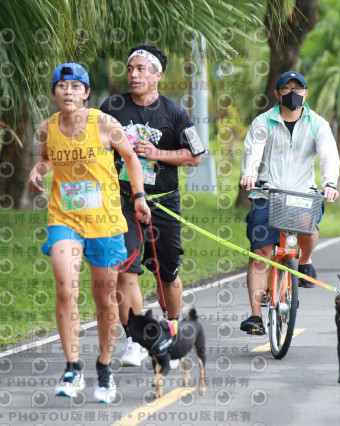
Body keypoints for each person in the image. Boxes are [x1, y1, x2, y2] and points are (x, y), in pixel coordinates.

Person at [28, 63, 151, 403]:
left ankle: (104, 368)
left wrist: (139, 197)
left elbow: (130, 157)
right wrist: (38, 172)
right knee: (66, 288)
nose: (68, 92)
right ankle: (72, 366)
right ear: (54, 93)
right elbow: (46, 158)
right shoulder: (46, 127)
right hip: (64, 218)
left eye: (75, 86)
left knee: (104, 297)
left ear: (85, 93)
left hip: (105, 221)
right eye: (61, 86)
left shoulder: (104, 123)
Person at [100, 44, 205, 366]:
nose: (133, 74)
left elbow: (195, 157)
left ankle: (171, 335)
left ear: (158, 75)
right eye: (130, 68)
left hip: (163, 204)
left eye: (141, 69)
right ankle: (135, 340)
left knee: (167, 275)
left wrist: (156, 154)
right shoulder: (112, 107)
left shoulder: (175, 113)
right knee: (125, 272)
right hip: (124, 203)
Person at [238, 71, 340, 335]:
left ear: (306, 93)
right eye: (286, 88)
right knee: (261, 253)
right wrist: (249, 173)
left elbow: (328, 153)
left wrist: (330, 183)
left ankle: (304, 260)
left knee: (310, 231)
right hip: (267, 193)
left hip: (302, 194)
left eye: (298, 88)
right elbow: (253, 149)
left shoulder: (318, 124)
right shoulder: (263, 122)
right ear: (277, 93)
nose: (292, 93)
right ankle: (256, 316)